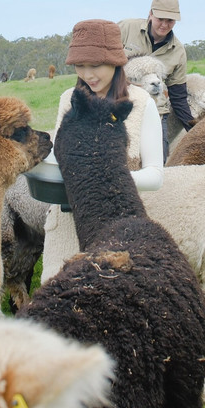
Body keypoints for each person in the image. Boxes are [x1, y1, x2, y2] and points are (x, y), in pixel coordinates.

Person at [37, 19, 164, 282]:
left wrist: (105, 175)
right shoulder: (69, 99)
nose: (88, 75)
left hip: (122, 223)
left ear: (115, 62)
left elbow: (155, 175)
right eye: (80, 66)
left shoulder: (141, 104)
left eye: (95, 66)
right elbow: (61, 160)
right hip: (68, 219)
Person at [118, 0, 194, 158]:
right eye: (160, 19)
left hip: (155, 112)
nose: (165, 25)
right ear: (150, 14)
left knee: (158, 164)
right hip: (120, 107)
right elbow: (101, 61)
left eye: (170, 21)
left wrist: (195, 129)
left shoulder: (178, 52)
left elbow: (178, 97)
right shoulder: (126, 28)